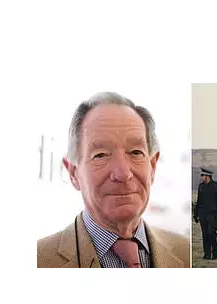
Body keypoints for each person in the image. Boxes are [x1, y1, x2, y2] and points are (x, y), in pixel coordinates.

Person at [37, 92, 190, 268]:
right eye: (100, 155)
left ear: (152, 166)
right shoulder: (40, 261)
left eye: (136, 152)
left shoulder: (186, 253)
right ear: (73, 173)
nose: (123, 173)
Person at [193, 168, 217, 260]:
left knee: (212, 235)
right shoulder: (201, 186)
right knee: (205, 235)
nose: (201, 177)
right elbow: (199, 201)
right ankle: (206, 255)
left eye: (202, 175)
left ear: (207, 176)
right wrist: (195, 214)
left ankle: (215, 254)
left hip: (212, 215)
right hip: (202, 215)